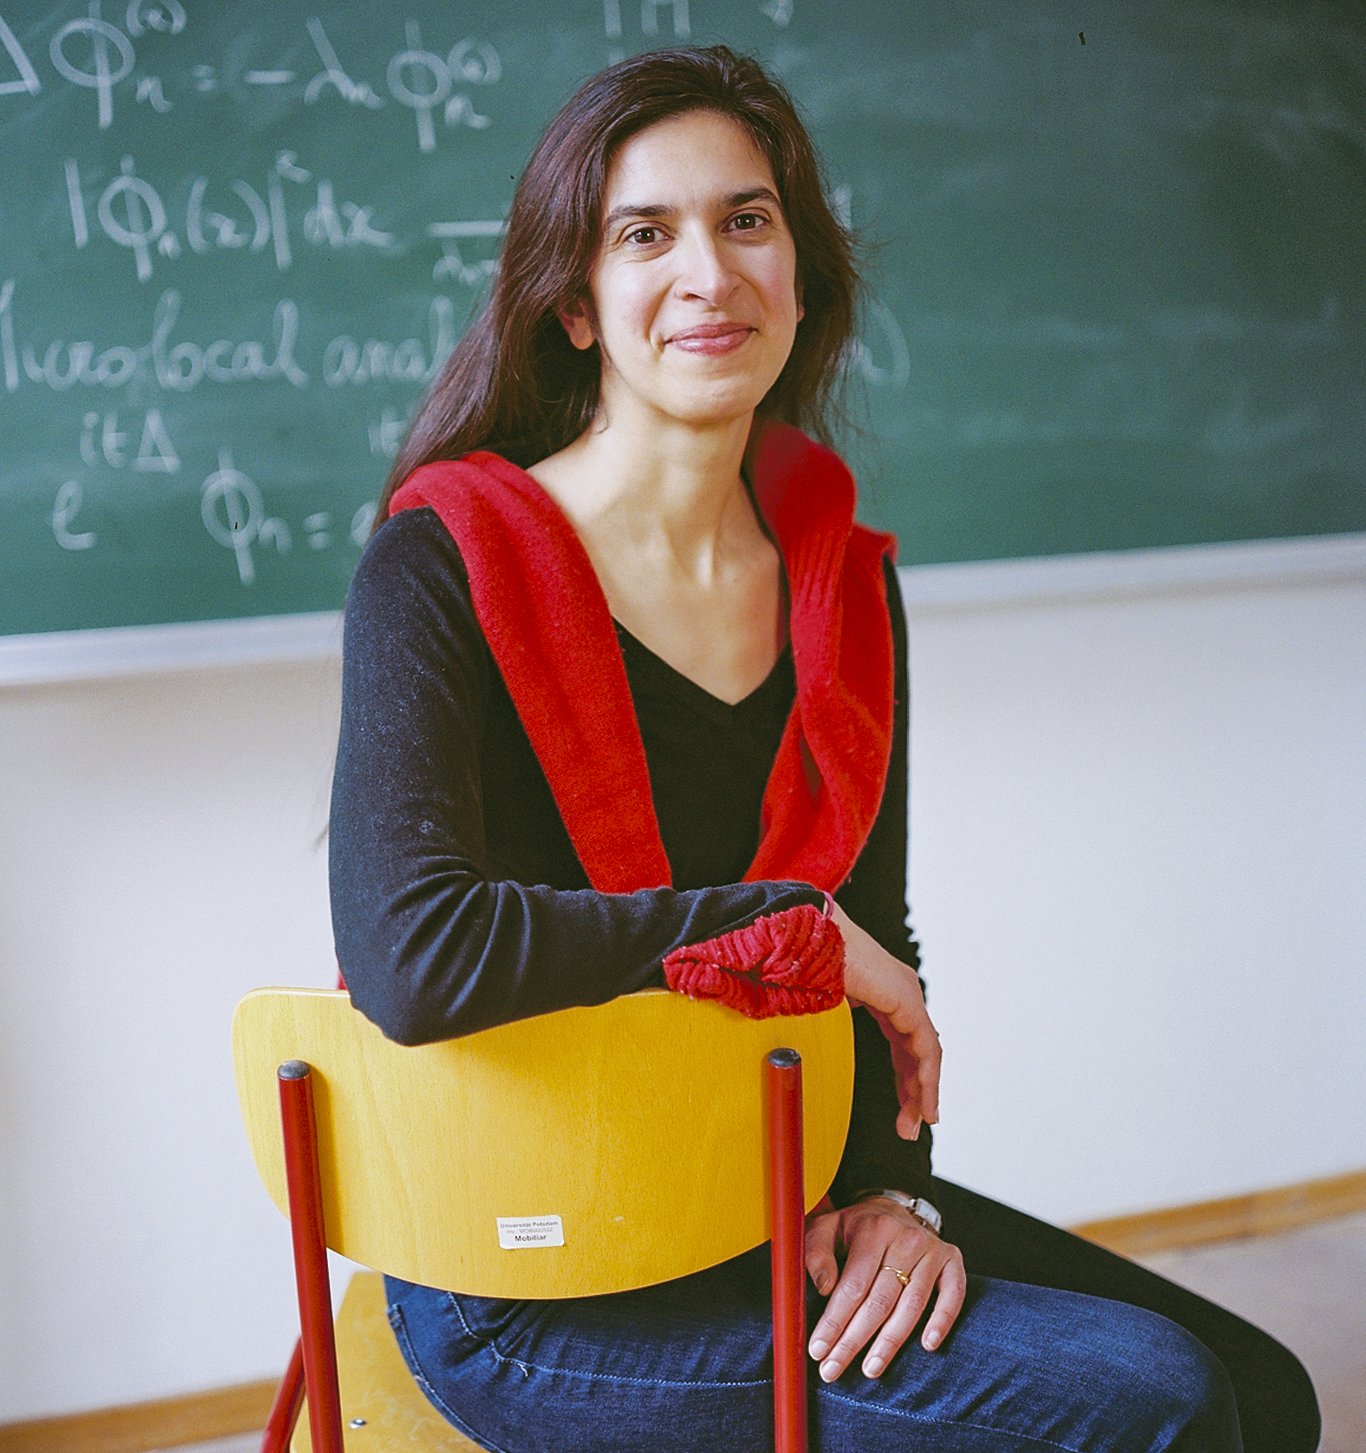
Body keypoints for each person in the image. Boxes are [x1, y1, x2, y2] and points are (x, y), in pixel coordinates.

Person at [329, 44, 1318, 1453]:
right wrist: (776, 938)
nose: (709, 275)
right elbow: (415, 958)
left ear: (802, 270)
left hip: (765, 1184)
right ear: (570, 301)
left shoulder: (840, 576)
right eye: (643, 234)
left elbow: (874, 930)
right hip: (531, 1264)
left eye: (747, 220)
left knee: (1259, 1388)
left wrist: (889, 1194)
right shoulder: (441, 561)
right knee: (1147, 1402)